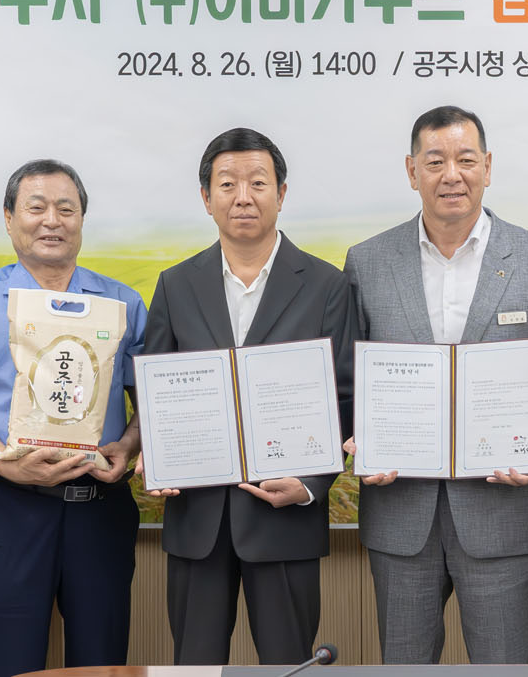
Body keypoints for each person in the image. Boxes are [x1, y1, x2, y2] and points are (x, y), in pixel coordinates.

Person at [342, 105, 528, 664]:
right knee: (404, 669)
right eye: (435, 162)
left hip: (502, 509)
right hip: (401, 511)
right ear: (412, 171)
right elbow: (350, 375)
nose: (452, 175)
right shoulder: (367, 262)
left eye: (466, 160)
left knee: (502, 668)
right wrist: (361, 439)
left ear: (488, 167)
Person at [139, 127, 358, 665]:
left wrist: (311, 486)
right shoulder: (175, 284)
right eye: (227, 184)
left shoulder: (326, 286)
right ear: (206, 197)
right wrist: (158, 456)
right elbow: (155, 391)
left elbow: (345, 396)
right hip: (197, 519)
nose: (243, 197)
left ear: (281, 193)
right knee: (194, 667)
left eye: (258, 183)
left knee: (288, 664)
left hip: (285, 519)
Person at [0, 159, 148, 677]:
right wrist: (5, 465)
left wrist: (129, 445)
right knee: (8, 658)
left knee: (101, 660)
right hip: (13, 506)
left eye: (66, 209)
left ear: (81, 220)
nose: (52, 220)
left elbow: (150, 399)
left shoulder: (123, 303)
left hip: (100, 506)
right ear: (10, 219)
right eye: (36, 208)